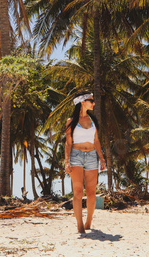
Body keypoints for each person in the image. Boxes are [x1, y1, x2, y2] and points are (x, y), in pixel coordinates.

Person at [64, 90, 106, 234]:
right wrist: (66, 161)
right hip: (76, 156)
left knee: (91, 193)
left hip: (92, 156)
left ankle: (88, 221)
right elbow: (68, 143)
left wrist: (102, 158)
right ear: (83, 102)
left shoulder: (93, 121)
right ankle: (80, 225)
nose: (94, 103)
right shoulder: (71, 121)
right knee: (77, 192)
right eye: (91, 100)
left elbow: (96, 141)